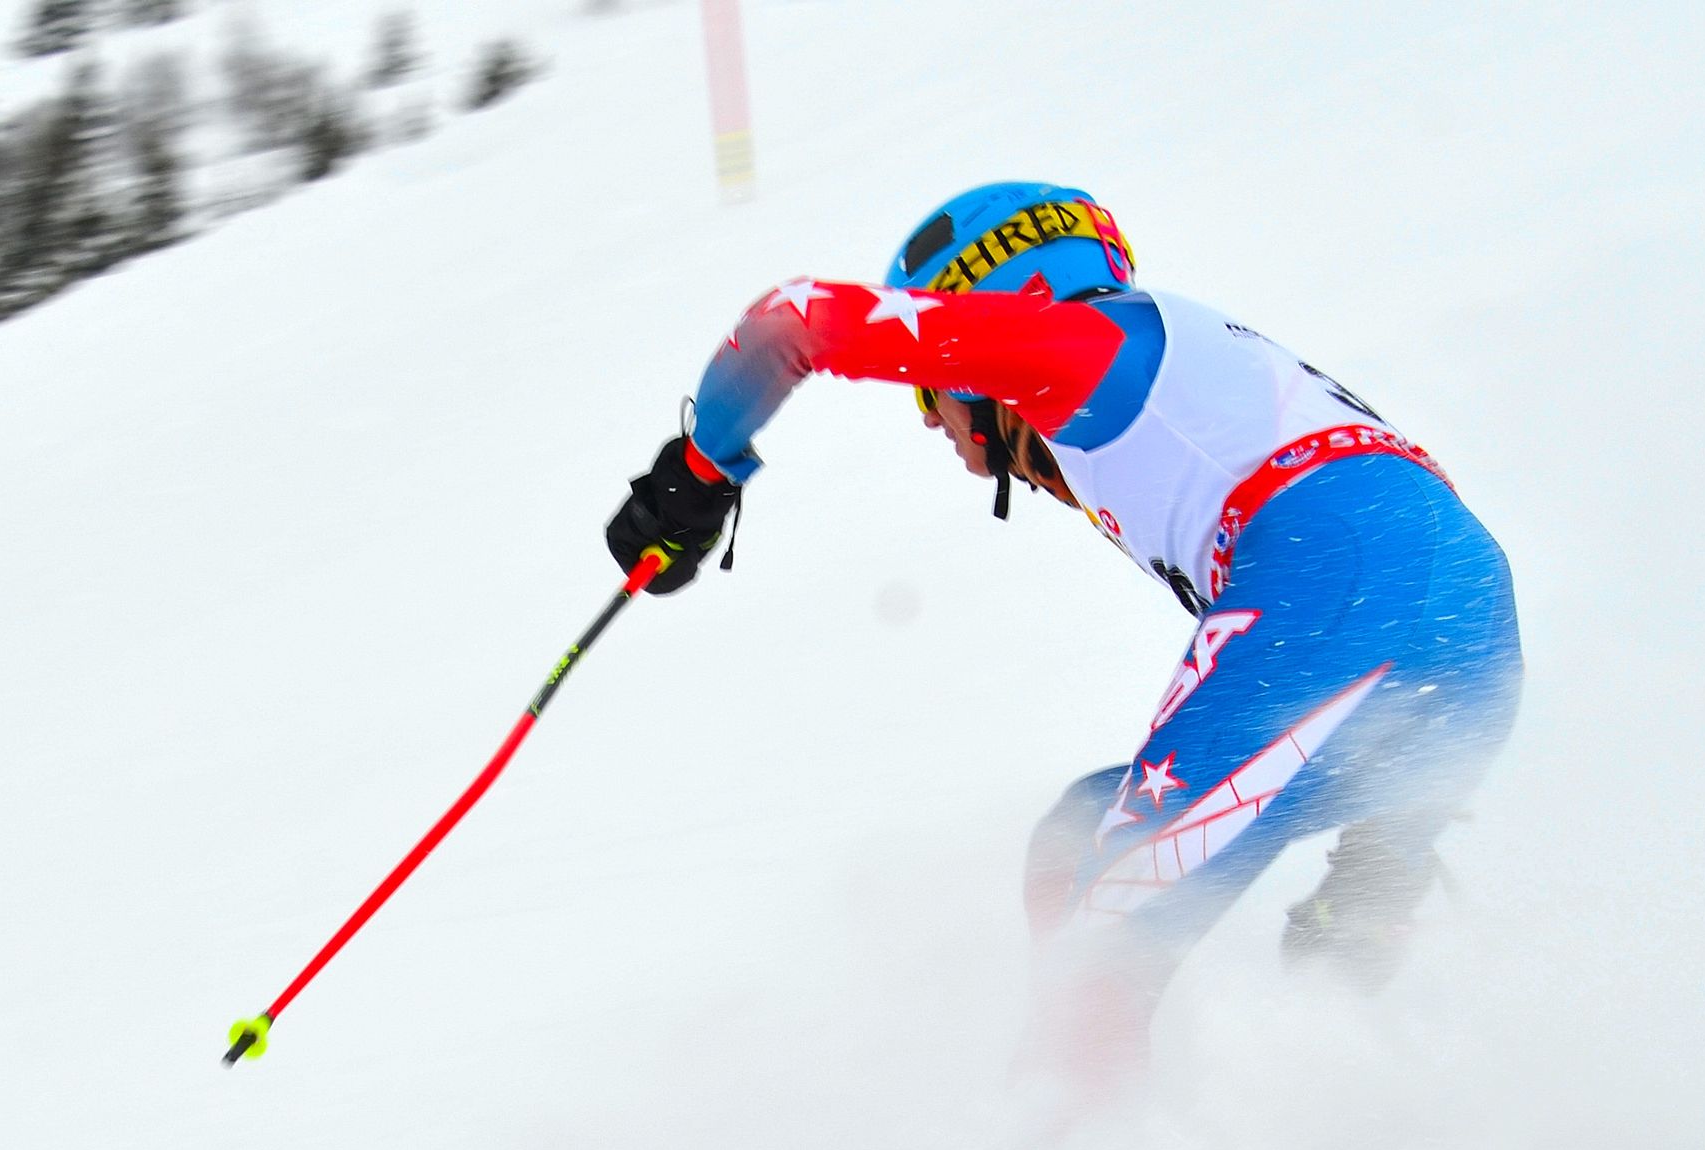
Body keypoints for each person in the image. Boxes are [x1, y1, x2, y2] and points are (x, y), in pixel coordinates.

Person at [606, 182, 1522, 1074]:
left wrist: (696, 476)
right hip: (1464, 643)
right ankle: (1364, 1088)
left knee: (1103, 936)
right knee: (1078, 835)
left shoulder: (1080, 350)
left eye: (929, 391)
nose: (930, 421)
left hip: (1341, 601)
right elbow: (1423, 571)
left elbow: (790, 324)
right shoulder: (1190, 368)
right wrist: (1388, 857)